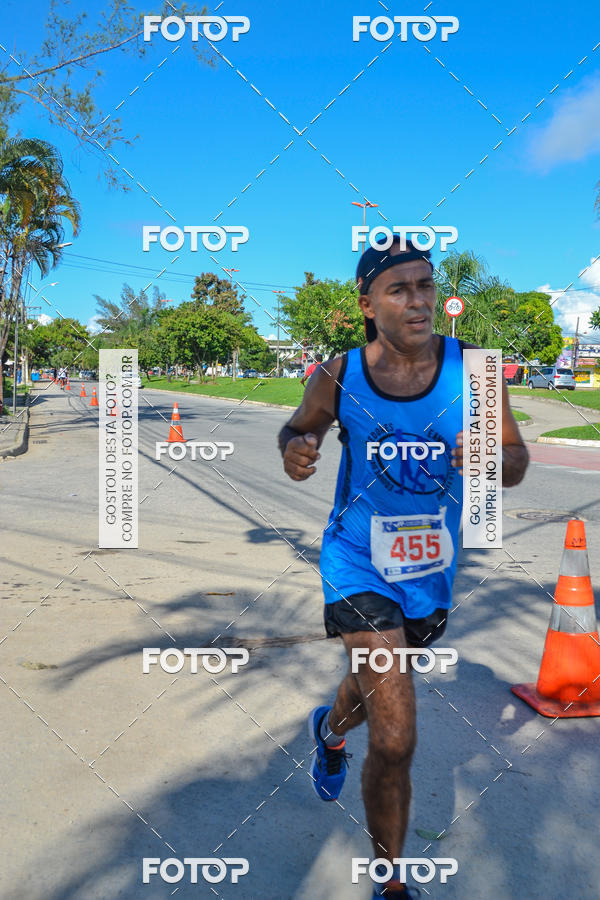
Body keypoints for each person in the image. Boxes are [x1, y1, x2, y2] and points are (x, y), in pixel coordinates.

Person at [278, 237, 529, 898]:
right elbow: (296, 428)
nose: (418, 300)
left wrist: (490, 461)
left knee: (367, 695)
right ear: (368, 303)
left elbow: (516, 460)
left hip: (427, 572)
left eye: (425, 286)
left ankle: (328, 733)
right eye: (400, 289)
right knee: (395, 735)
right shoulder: (337, 374)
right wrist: (298, 448)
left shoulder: (477, 369)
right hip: (356, 560)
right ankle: (391, 886)